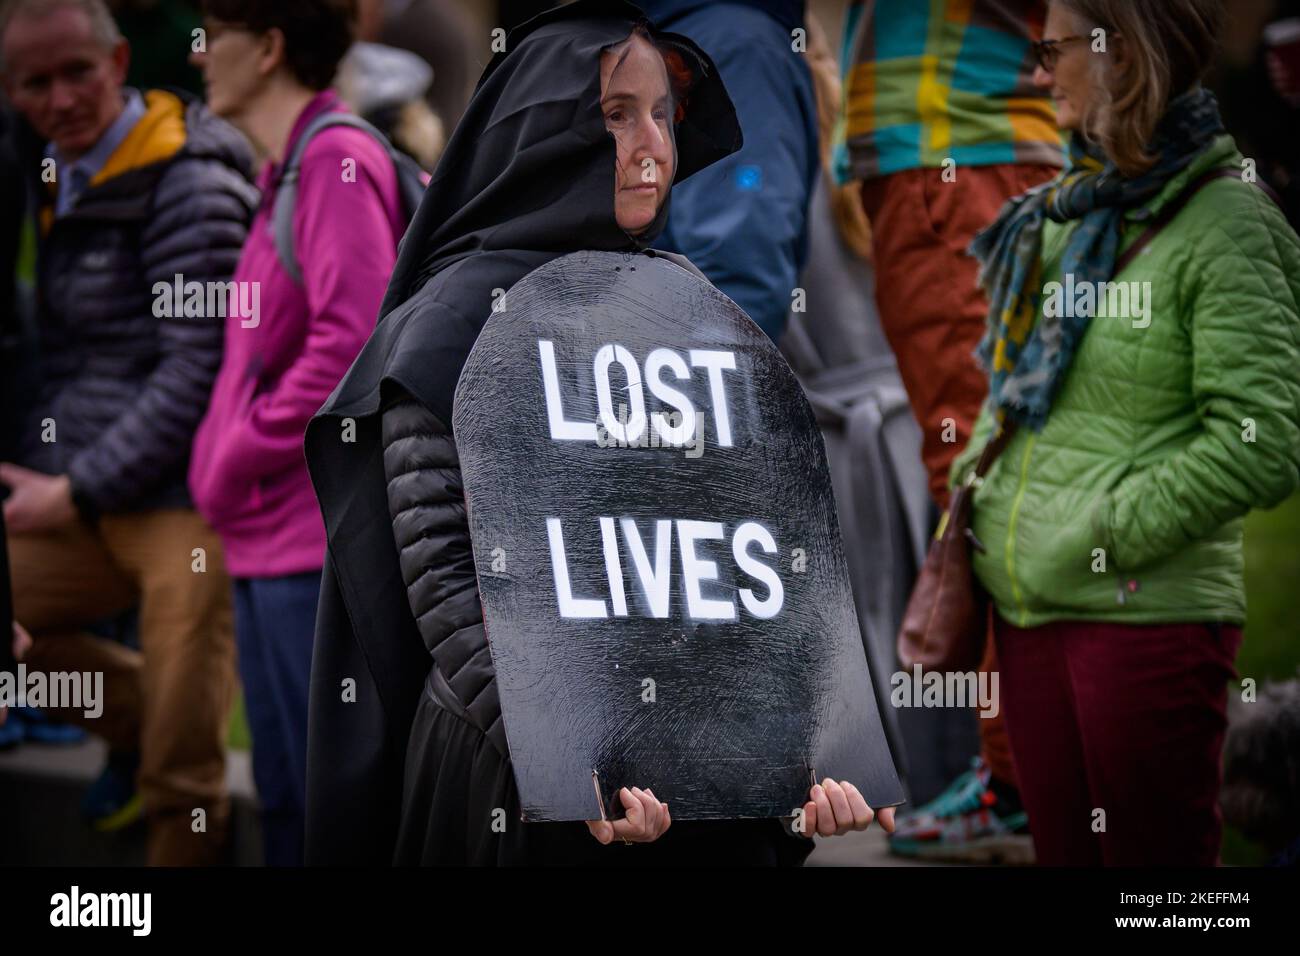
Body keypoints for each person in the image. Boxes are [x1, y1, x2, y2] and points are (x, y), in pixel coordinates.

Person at [304, 0, 895, 865]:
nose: (653, 142)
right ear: (548, 132)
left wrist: (806, 757)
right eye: (618, 115)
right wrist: (569, 760)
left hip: (696, 791)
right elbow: (444, 576)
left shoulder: (696, 315)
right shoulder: (453, 323)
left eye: (664, 114)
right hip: (513, 784)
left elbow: (754, 563)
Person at [952, 0, 1300, 866]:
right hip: (1030, 612)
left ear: (1123, 57)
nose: (1039, 72)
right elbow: (1019, 395)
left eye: (1054, 49)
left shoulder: (1228, 225)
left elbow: (1261, 440)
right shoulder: (1068, 216)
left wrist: (1102, 530)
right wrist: (983, 502)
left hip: (1143, 620)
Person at [0, 0, 255, 865]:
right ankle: (161, 708)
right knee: (170, 707)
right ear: (11, 92)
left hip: (185, 499)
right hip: (81, 485)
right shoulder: (50, 171)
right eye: (36, 82)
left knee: (183, 776)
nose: (61, 96)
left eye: (79, 71)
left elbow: (200, 369)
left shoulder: (187, 178)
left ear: (118, 62)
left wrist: (76, 487)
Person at [835, 0, 1065, 863]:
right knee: (993, 468)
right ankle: (1022, 776)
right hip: (970, 151)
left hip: (958, 154)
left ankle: (1018, 784)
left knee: (982, 475)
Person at [186, 0, 407, 866]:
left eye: (216, 37)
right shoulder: (290, 169)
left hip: (310, 550)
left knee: (326, 821)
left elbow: (349, 351)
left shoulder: (335, 161)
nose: (201, 58)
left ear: (269, 48)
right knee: (284, 802)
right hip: (264, 543)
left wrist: (234, 452)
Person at [636, 0, 818, 342]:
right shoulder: (663, 37)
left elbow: (742, 270)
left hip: (684, 372)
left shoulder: (736, 46)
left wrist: (716, 385)